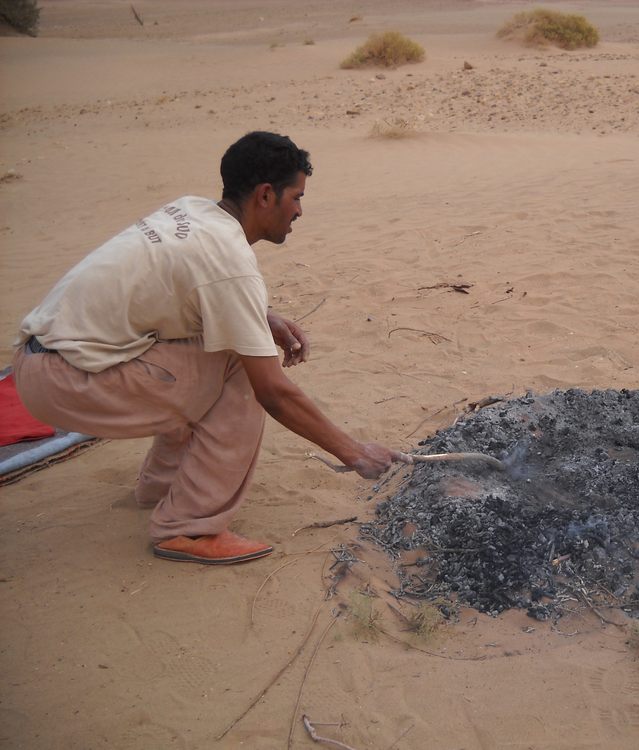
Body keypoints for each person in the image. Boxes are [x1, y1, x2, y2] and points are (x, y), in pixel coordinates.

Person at [12, 131, 409, 565]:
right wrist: (354, 452)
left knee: (218, 346)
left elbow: (190, 288)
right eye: (296, 197)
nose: (299, 210)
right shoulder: (230, 262)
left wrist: (262, 316)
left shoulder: (192, 210)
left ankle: (162, 489)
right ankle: (190, 527)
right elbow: (274, 393)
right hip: (66, 380)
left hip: (39, 362)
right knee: (239, 366)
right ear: (265, 195)